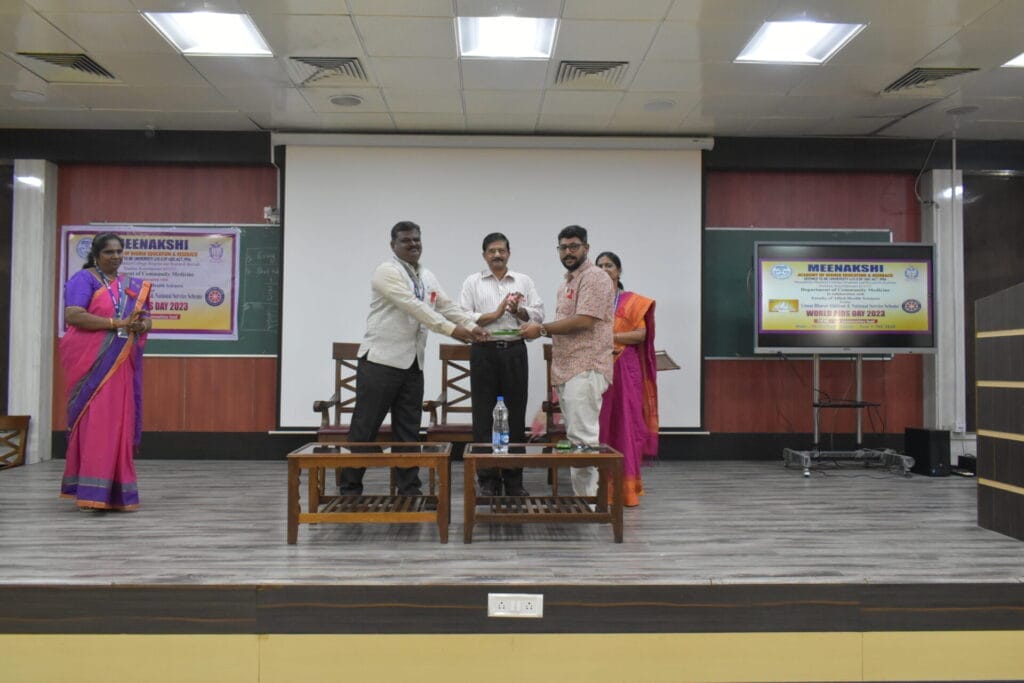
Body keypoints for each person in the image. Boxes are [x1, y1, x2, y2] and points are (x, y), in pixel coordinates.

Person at [341, 221, 487, 496]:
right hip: (380, 363)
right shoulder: (386, 271)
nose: (413, 244)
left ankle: (408, 490)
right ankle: (350, 490)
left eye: (416, 240)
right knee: (365, 428)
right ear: (393, 245)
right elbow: (415, 307)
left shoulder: (426, 275)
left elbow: (446, 306)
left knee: (408, 431)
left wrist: (471, 325)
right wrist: (453, 331)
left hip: (412, 365)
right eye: (406, 240)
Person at [59, 232, 153, 511]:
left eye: (119, 251)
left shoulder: (131, 285)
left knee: (118, 425)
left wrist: (140, 325)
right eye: (109, 252)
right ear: (96, 255)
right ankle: (90, 493)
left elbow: (147, 319)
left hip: (120, 365)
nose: (116, 257)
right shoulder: (84, 279)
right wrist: (117, 323)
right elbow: (73, 315)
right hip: (92, 364)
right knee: (96, 424)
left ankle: (116, 493)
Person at [520, 225, 614, 497]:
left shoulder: (595, 277)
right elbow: (565, 324)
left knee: (583, 439)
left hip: (585, 367)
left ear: (587, 248)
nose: (568, 252)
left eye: (574, 246)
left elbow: (584, 321)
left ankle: (590, 504)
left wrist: (540, 330)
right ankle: (585, 501)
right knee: (576, 439)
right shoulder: (567, 283)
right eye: (563, 247)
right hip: (568, 369)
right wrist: (532, 324)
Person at [459, 232, 544, 496]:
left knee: (515, 415)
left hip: (514, 352)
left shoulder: (523, 281)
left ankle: (513, 478)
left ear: (509, 253)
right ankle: (487, 479)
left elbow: (539, 314)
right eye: (492, 251)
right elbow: (463, 317)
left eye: (502, 250)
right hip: (483, 352)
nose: (497, 255)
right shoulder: (472, 282)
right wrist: (495, 314)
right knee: (483, 416)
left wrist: (519, 311)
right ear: (484, 255)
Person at [595, 251, 659, 507]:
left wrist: (610, 338)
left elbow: (640, 334)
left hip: (624, 369)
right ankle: (600, 489)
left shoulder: (632, 302)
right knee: (601, 426)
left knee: (625, 425)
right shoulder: (590, 302)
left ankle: (626, 490)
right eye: (599, 266)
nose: (604, 270)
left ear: (619, 271)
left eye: (609, 265)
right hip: (597, 368)